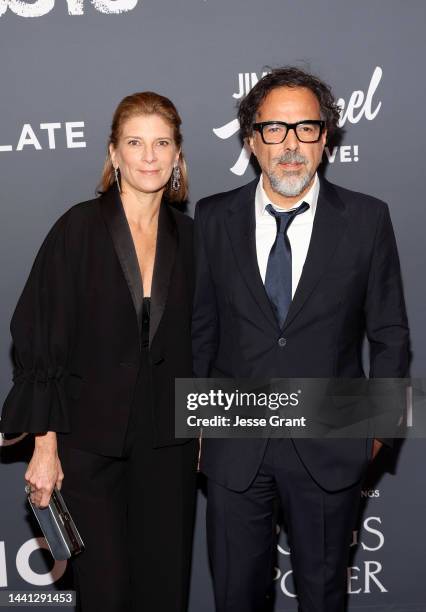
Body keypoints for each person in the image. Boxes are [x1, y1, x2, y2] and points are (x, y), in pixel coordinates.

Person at [192, 67, 410, 612]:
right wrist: (197, 426)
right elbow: (200, 328)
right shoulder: (213, 218)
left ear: (326, 139)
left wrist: (378, 432)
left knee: (323, 597)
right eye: (275, 129)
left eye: (306, 129)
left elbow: (391, 333)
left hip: (332, 440)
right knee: (236, 598)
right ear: (251, 140)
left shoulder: (366, 219)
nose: (291, 145)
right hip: (235, 438)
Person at [1, 92, 198, 612]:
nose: (149, 156)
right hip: (87, 444)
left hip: (169, 444)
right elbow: (40, 337)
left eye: (162, 143)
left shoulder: (195, 239)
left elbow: (207, 340)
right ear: (113, 154)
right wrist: (44, 447)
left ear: (178, 155)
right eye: (135, 142)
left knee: (164, 589)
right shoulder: (79, 229)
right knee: (104, 595)